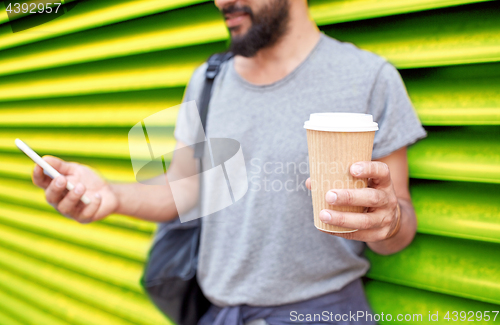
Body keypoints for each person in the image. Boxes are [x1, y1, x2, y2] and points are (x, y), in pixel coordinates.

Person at [32, 0, 427, 324]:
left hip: (321, 312)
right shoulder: (208, 79)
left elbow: (400, 224)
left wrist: (389, 221)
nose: (222, 2)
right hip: (218, 314)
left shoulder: (369, 77)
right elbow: (183, 194)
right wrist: (110, 195)